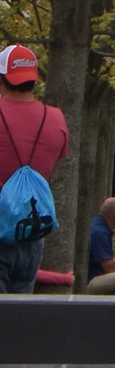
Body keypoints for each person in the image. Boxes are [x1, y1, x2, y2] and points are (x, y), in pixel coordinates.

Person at [0, 48, 68, 295]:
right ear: (33, 78)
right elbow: (53, 168)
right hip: (30, 234)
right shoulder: (56, 118)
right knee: (19, 318)